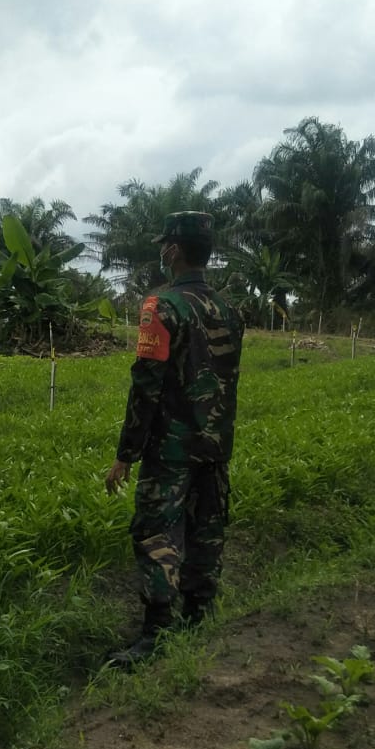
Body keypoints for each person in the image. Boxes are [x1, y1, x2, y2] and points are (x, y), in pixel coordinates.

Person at [104, 211, 244, 667]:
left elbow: (147, 384)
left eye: (165, 245)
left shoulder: (159, 307)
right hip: (216, 444)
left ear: (174, 251)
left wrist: (127, 454)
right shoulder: (229, 310)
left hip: (171, 447)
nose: (163, 251)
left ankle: (157, 632)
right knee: (207, 529)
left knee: (155, 532)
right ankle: (200, 616)